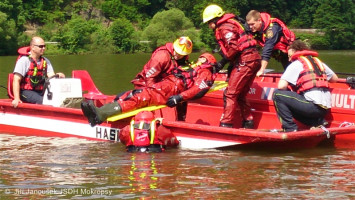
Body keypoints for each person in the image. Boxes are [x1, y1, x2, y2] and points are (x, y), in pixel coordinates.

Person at [81, 53, 217, 127]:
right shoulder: (194, 67)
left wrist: (179, 97)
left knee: (140, 97)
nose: (199, 59)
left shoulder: (206, 72)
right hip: (168, 86)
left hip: (171, 89)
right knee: (131, 94)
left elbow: (196, 89)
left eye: (202, 58)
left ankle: (100, 115)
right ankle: (101, 111)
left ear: (208, 61)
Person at [202, 4, 261, 128]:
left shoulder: (224, 28)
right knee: (239, 94)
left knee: (230, 93)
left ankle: (226, 123)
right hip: (253, 59)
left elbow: (234, 48)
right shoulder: (233, 23)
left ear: (215, 20)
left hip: (246, 61)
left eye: (209, 23)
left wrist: (222, 62)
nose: (209, 26)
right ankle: (248, 121)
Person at [114, 36, 193, 121]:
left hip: (161, 84)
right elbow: (149, 77)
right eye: (177, 52)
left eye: (182, 54)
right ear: (174, 46)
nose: (178, 55)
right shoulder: (161, 56)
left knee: (182, 96)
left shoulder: (183, 59)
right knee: (147, 102)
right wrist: (154, 94)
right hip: (145, 83)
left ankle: (180, 121)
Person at [272, 40, 338, 132]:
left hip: (312, 107)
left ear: (295, 53)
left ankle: (290, 128)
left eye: (290, 56)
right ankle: (317, 122)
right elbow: (335, 79)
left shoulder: (296, 64)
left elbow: (281, 86)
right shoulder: (318, 62)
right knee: (291, 104)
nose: (289, 60)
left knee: (278, 95)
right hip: (324, 109)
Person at [12, 36, 65, 108]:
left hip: (41, 91)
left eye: (44, 46)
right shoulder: (23, 60)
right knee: (42, 101)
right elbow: (16, 80)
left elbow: (51, 77)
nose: (43, 48)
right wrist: (16, 98)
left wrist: (57, 75)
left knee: (58, 100)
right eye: (41, 46)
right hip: (25, 91)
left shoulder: (45, 61)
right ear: (33, 47)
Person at [246, 10, 296, 76]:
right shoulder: (254, 28)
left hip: (291, 52)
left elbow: (267, 49)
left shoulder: (272, 29)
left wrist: (262, 70)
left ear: (259, 20)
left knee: (292, 74)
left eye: (252, 24)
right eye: (249, 25)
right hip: (280, 55)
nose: (250, 27)